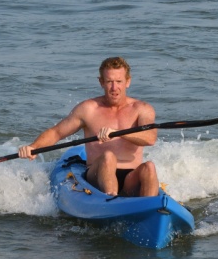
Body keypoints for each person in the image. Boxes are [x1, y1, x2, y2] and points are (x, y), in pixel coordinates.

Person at [18, 57, 159, 197]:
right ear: (101, 82)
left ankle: (153, 206)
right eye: (109, 82)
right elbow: (57, 132)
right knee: (108, 157)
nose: (114, 88)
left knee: (149, 167)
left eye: (119, 81)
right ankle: (111, 199)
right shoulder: (88, 109)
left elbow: (150, 138)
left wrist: (119, 133)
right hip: (97, 175)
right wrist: (34, 147)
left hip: (130, 178)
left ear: (128, 81)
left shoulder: (142, 109)